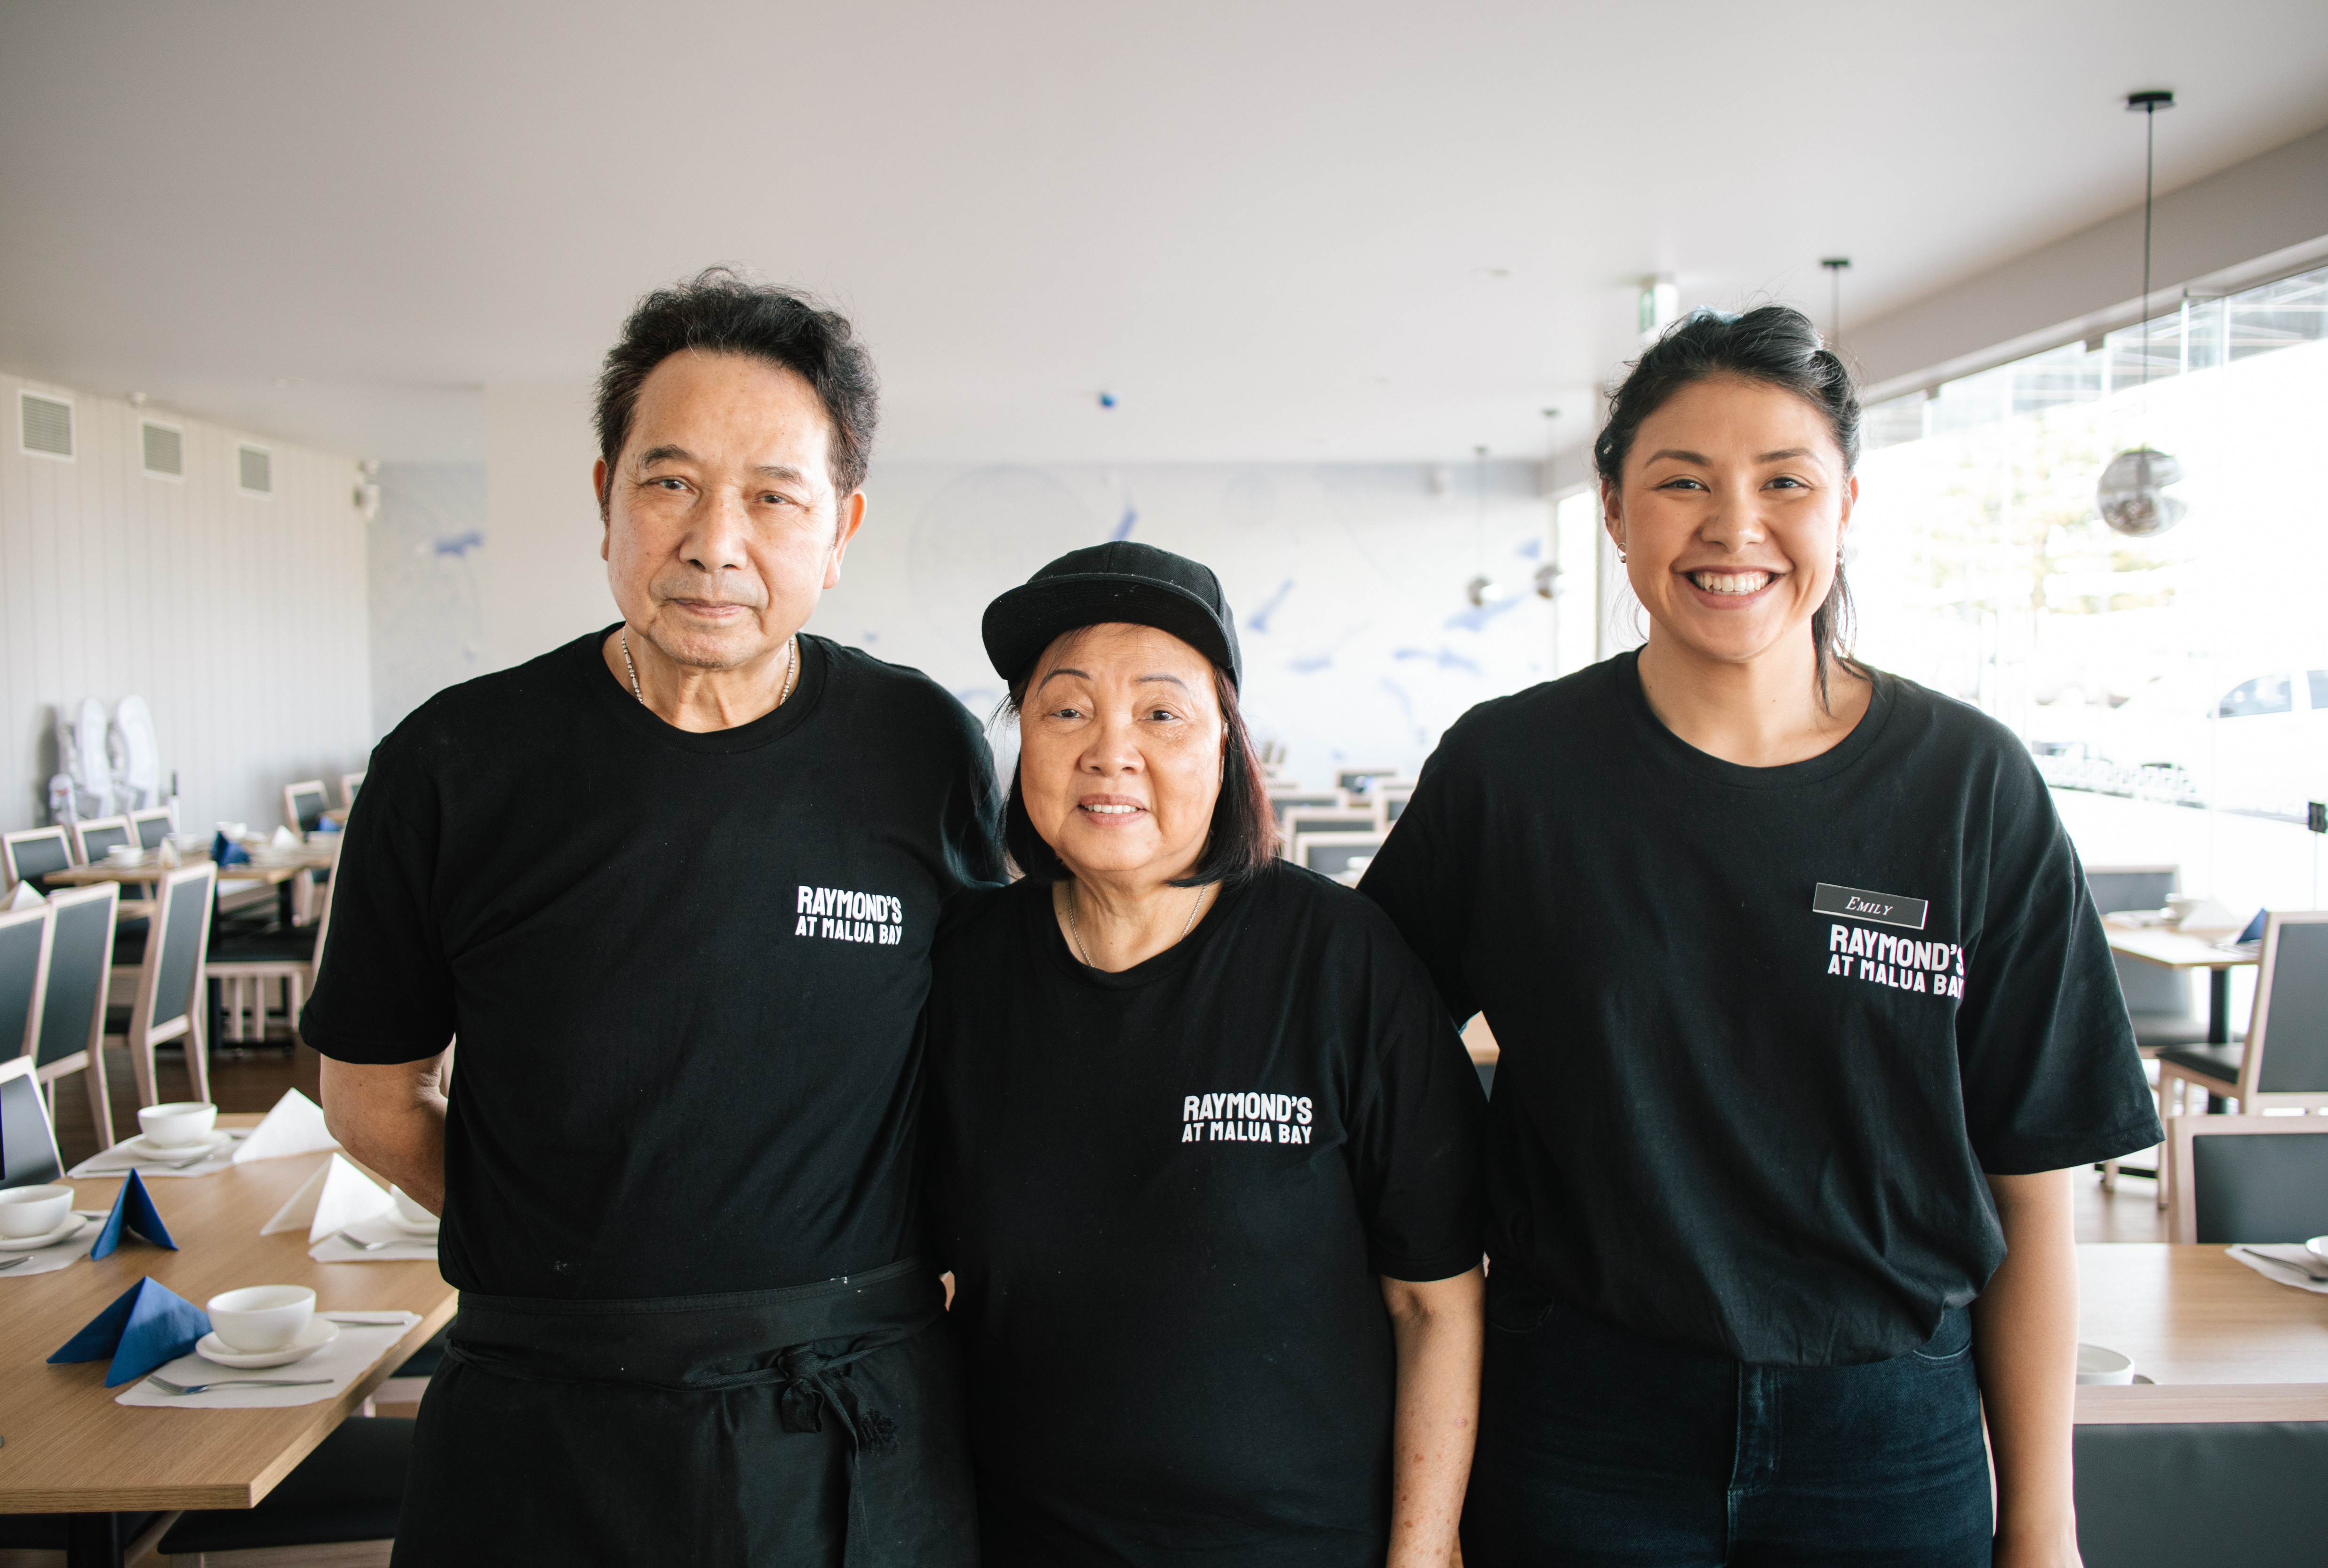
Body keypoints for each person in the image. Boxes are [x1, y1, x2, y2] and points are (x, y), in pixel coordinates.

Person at [1360, 306, 2161, 1568]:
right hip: (1581, 1420)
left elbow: (2033, 1187)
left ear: (1847, 504)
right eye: (1683, 482)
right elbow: (1364, 1048)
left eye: (1784, 482)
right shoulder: (1512, 772)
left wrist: (2045, 1526)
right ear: (1615, 510)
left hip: (1892, 1430)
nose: (1735, 526)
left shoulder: (1970, 785)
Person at [302, 269, 997, 1566]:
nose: (714, 540)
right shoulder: (455, 763)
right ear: (605, 497)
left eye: (773, 497)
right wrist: (566, 1244)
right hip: (540, 1415)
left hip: (849, 1419)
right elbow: (367, 1096)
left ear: (839, 527)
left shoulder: (923, 748)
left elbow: (995, 1056)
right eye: (669, 481)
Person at [922, 541, 1488, 1567]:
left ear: (1228, 746)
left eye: (1161, 712)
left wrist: (1421, 1552)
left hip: (1303, 1544)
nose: (1109, 750)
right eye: (1064, 710)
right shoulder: (964, 970)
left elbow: (1435, 1299)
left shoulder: (1340, 960)